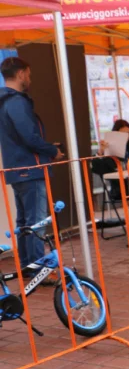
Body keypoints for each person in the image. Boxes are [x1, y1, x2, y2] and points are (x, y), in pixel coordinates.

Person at [0, 57, 65, 274]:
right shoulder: (17, 102)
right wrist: (52, 151)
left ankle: (29, 265)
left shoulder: (5, 102)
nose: (30, 79)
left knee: (25, 222)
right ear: (20, 74)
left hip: (17, 169)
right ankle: (39, 270)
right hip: (30, 169)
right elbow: (29, 136)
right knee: (36, 222)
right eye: (28, 74)